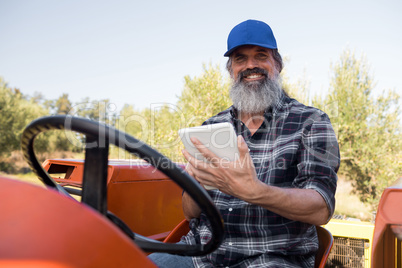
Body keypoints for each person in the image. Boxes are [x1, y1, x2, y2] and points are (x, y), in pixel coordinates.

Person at [149, 19, 340, 268]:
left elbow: (320, 209)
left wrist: (254, 192)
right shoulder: (210, 127)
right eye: (240, 58)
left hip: (272, 259)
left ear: (278, 64)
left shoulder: (311, 122)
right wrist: (197, 183)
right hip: (199, 256)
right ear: (231, 69)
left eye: (261, 56)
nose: (251, 65)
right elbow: (190, 213)